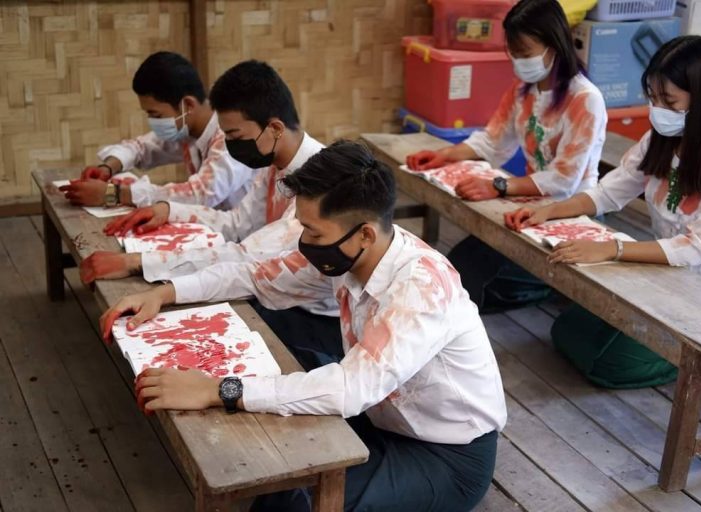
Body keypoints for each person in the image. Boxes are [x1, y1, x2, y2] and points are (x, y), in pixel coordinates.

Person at [101, 141, 508, 512]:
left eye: (313, 231)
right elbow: (255, 275)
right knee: (278, 474)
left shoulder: (421, 289)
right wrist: (166, 292)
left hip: (445, 453)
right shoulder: (354, 249)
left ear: (364, 233)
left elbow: (351, 390)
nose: (305, 242)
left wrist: (217, 389)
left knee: (296, 504)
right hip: (379, 416)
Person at [507, 36, 701, 388]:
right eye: (653, 97)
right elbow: (609, 192)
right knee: (567, 329)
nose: (658, 109)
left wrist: (613, 249)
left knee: (608, 364)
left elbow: (695, 248)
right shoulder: (660, 140)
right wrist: (551, 211)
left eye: (668, 100)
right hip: (660, 273)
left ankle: (699, 358)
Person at [79, 60, 339, 370]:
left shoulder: (321, 184)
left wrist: (137, 263)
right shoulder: (276, 163)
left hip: (313, 322)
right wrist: (169, 209)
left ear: (275, 128)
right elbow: (236, 225)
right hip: (275, 296)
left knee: (197, 356)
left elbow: (246, 257)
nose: (229, 145)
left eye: (233, 135)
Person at [405, 0, 607, 313]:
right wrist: (446, 154)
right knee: (456, 269)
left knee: (474, 288)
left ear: (554, 46)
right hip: (528, 206)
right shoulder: (523, 89)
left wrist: (499, 186)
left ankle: (550, 287)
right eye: (513, 52)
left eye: (525, 52)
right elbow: (492, 140)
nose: (518, 60)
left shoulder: (585, 99)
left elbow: (564, 180)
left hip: (570, 212)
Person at [61, 51, 252, 209]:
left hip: (244, 242)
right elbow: (141, 147)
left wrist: (112, 194)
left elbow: (200, 194)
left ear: (187, 105)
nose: (153, 122)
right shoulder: (188, 128)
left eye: (156, 115)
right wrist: (108, 167)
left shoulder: (231, 138)